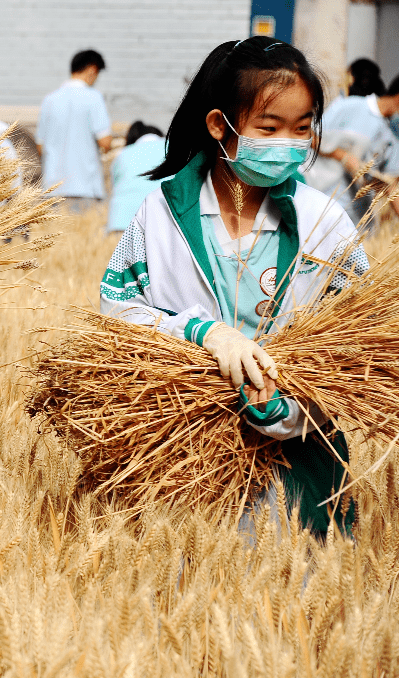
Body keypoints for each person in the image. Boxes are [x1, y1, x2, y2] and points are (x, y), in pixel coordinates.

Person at [100, 37, 368, 541]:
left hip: (299, 472)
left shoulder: (325, 223)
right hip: (179, 462)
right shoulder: (161, 215)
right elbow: (117, 315)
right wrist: (202, 333)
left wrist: (288, 409)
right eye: (269, 128)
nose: (289, 142)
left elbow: (356, 353)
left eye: (302, 127)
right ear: (219, 125)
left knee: (294, 606)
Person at [302, 59, 399, 225]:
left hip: (352, 220)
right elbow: (307, 135)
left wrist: (375, 181)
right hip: (318, 203)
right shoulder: (349, 106)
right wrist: (343, 155)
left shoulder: (391, 138)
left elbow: (390, 186)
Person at [36, 49, 112, 208]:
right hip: (85, 186)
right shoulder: (94, 98)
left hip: (53, 187)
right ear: (92, 70)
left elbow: (40, 146)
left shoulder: (50, 100)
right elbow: (105, 142)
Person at [105, 121, 167, 235]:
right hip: (163, 220)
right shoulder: (173, 148)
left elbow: (114, 188)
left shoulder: (122, 154)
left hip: (120, 221)